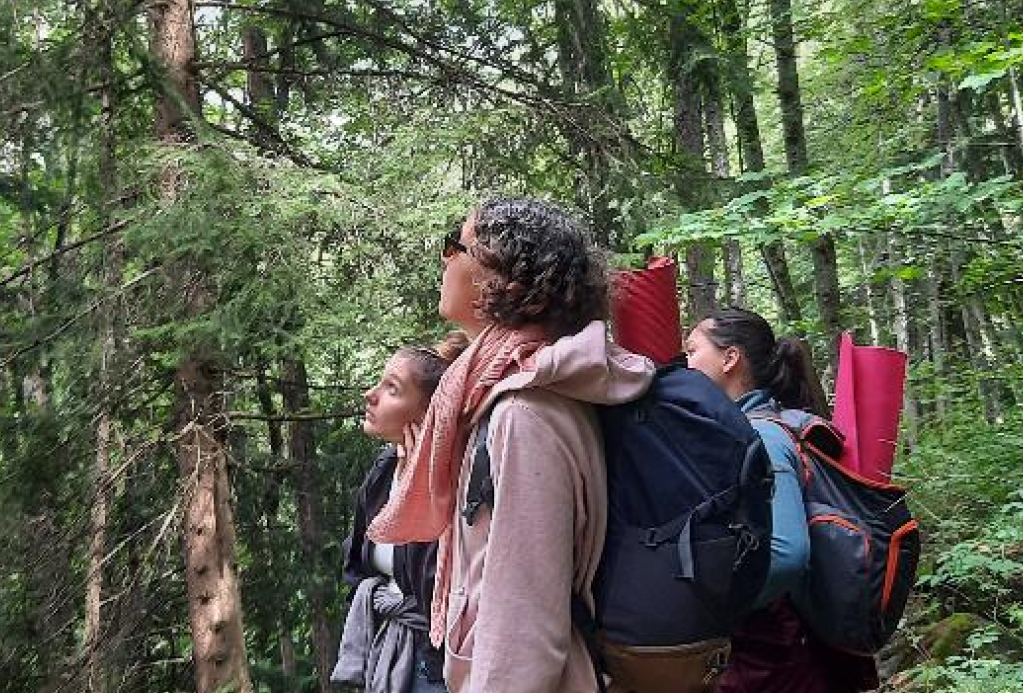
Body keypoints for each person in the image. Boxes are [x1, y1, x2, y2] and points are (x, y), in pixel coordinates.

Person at [368, 197, 656, 693]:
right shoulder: (495, 394)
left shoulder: (524, 415)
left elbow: (526, 629)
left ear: (502, 284)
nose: (445, 258)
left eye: (455, 246)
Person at [683, 307, 879, 693]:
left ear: (730, 358)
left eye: (692, 351)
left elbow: (787, 555)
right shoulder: (768, 425)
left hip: (779, 650)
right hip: (793, 647)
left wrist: (716, 611)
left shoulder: (763, 436)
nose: (685, 364)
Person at [334, 334, 468, 693]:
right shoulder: (382, 472)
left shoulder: (454, 482)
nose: (370, 395)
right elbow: (355, 566)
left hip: (433, 665)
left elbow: (432, 591)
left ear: (428, 413)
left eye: (391, 389)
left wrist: (421, 490)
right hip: (385, 649)